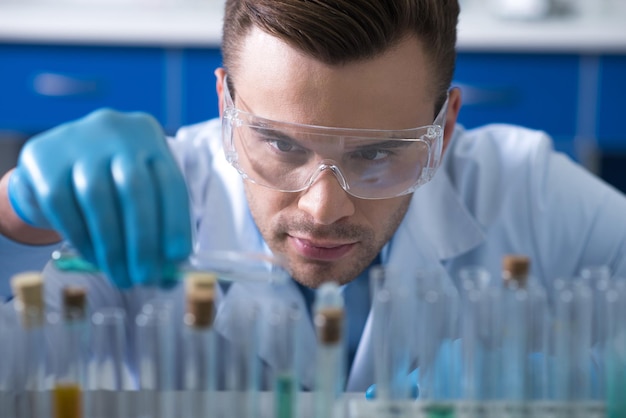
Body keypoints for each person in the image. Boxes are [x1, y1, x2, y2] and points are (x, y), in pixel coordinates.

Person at [2, 0, 626, 393]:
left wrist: (588, 381)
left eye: (377, 153)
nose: (324, 209)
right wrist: (12, 217)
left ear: (447, 124)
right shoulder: (138, 203)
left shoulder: (524, 188)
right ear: (225, 105)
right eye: (279, 143)